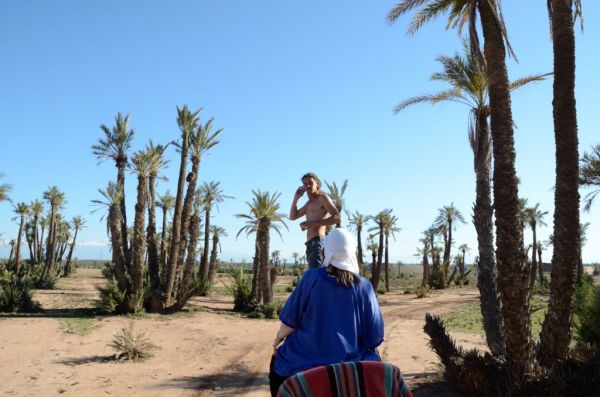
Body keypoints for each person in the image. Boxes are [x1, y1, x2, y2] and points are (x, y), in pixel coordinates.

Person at [269, 228, 384, 396]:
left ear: (326, 251)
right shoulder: (364, 286)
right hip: (352, 363)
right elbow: (375, 337)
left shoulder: (311, 278)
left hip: (302, 363)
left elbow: (289, 322)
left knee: (277, 365)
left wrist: (279, 337)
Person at [289, 172, 341, 268]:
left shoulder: (322, 198)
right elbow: (292, 217)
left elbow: (337, 217)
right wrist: (296, 198)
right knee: (315, 275)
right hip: (310, 244)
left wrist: (312, 224)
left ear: (317, 183)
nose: (308, 185)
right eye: (305, 184)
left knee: (316, 275)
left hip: (318, 242)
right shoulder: (309, 203)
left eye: (310, 182)